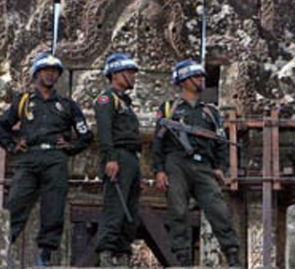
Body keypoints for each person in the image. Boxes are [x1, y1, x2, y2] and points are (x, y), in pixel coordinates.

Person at [0, 52, 93, 266]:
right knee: (17, 204)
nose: (50, 75)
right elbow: (0, 128)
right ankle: (2, 248)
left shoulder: (67, 105)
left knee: (54, 208)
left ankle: (45, 254)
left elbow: (86, 135)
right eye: (46, 71)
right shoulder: (24, 101)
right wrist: (12, 144)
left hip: (55, 159)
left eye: (54, 72)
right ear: (36, 74)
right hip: (29, 157)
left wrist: (70, 147)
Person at [152, 59, 241, 267]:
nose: (201, 80)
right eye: (196, 77)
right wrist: (159, 170)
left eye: (202, 76)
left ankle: (233, 255)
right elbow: (158, 141)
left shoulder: (210, 111)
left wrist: (220, 167)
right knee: (178, 211)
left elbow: (221, 142)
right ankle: (182, 258)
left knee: (218, 210)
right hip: (176, 162)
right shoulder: (169, 109)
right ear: (184, 81)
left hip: (203, 166)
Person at [94, 53, 142, 267]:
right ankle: (106, 253)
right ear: (115, 74)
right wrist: (110, 158)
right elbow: (105, 131)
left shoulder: (126, 103)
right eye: (129, 72)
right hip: (118, 156)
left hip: (131, 157)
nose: (132, 76)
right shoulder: (107, 99)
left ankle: (123, 253)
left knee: (130, 207)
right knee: (115, 205)